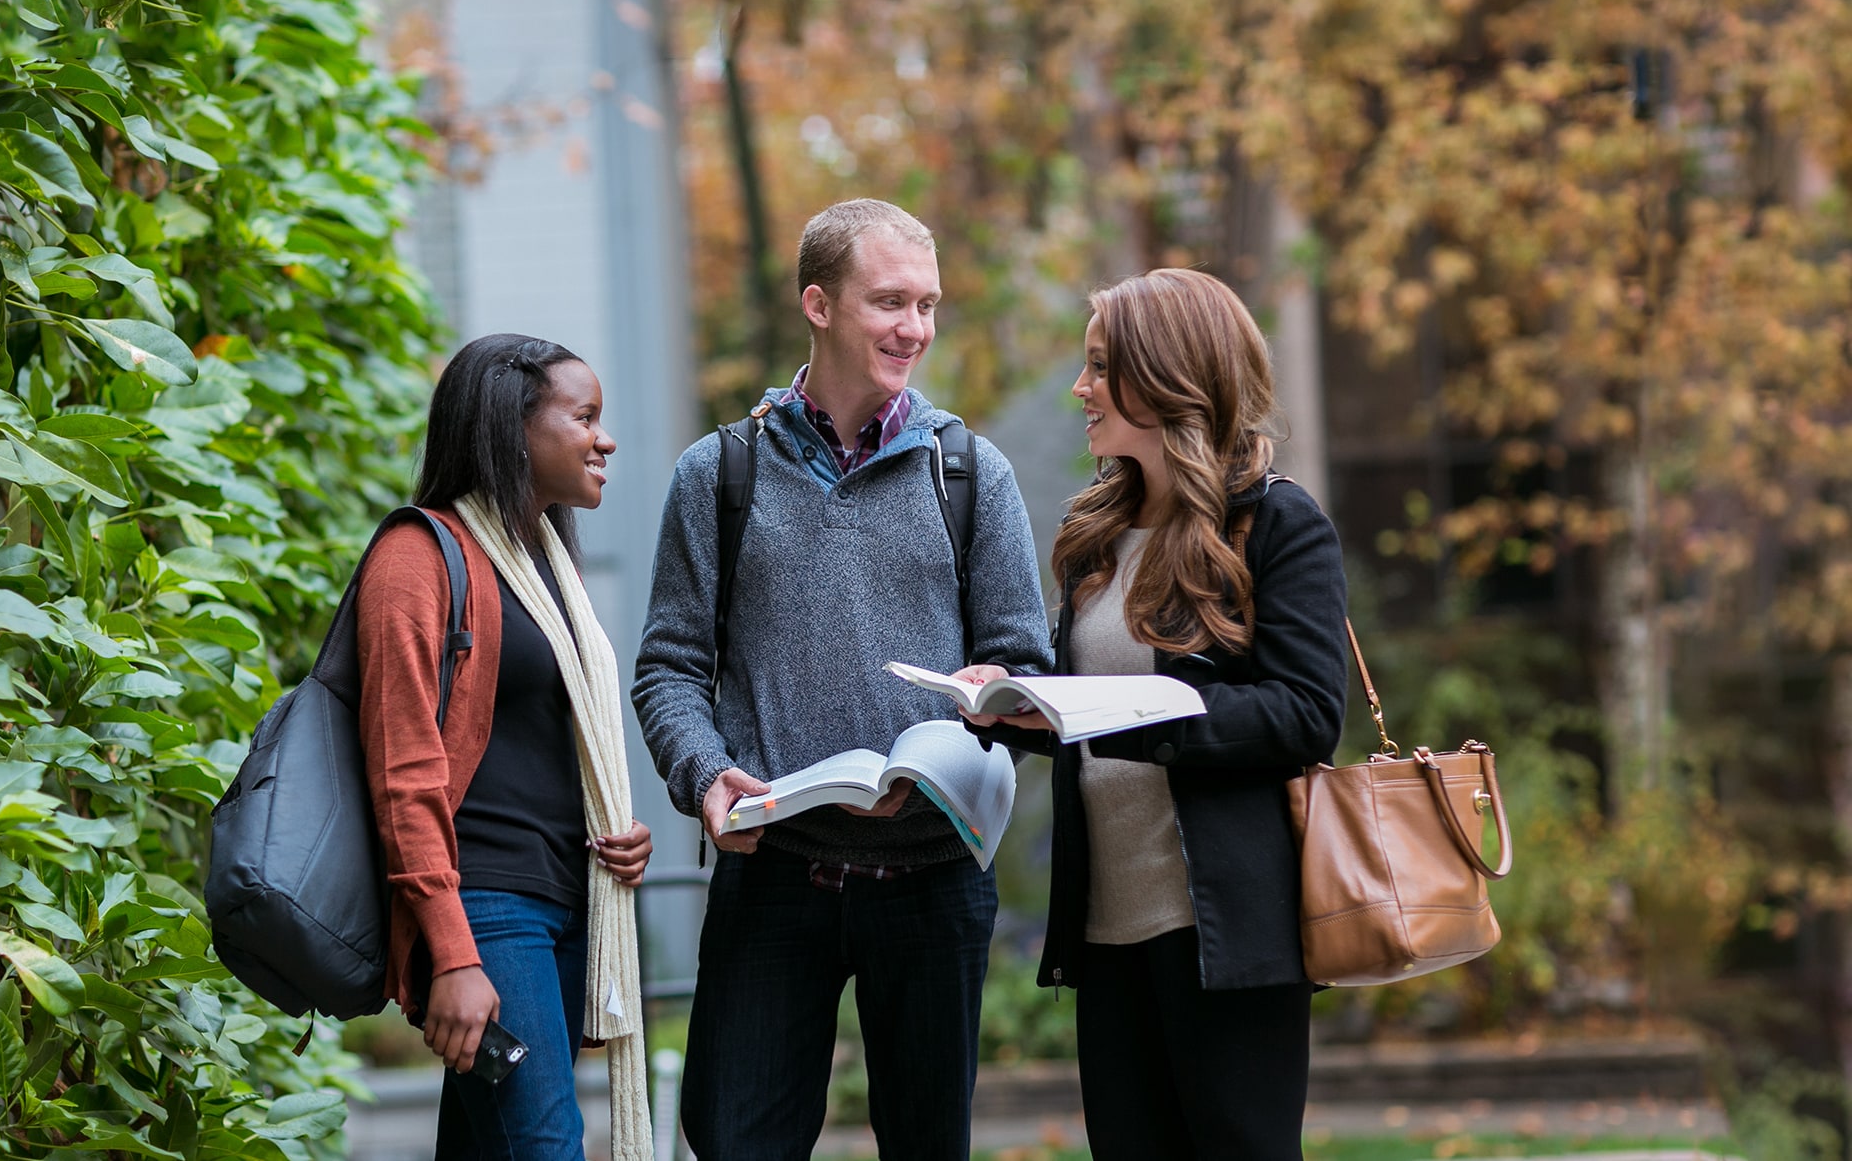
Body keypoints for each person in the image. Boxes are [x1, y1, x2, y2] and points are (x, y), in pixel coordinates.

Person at [633, 199, 1054, 1160]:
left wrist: (996, 689)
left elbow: (1025, 665)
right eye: (890, 301)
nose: (916, 328)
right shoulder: (719, 474)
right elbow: (668, 668)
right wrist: (703, 775)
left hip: (935, 884)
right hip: (774, 875)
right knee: (733, 1138)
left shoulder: (970, 473)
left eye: (928, 304)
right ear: (818, 304)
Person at [960, 268, 1349, 1159]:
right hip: (1108, 934)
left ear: (1166, 374)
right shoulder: (1097, 533)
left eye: (1099, 367)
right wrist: (1017, 702)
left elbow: (1303, 715)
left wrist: (1121, 720)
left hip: (1224, 937)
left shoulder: (1279, 524)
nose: (1080, 388)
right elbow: (1091, 721)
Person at [358, 333, 656, 1161]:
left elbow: (547, 749)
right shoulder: (416, 558)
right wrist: (453, 956)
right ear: (511, 427)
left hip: (565, 901)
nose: (606, 439)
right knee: (547, 1146)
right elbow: (404, 777)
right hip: (488, 907)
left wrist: (614, 833)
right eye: (584, 417)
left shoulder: (551, 567)